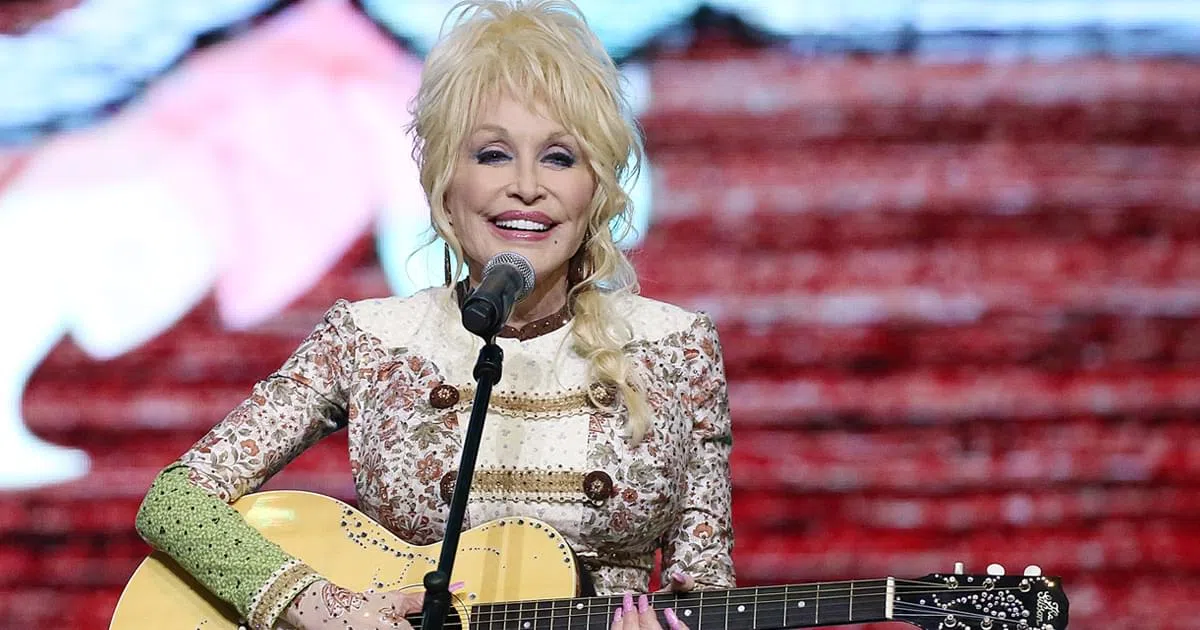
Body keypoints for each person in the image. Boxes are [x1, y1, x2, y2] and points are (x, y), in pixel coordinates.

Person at [133, 1, 735, 629]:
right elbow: (175, 503)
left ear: (599, 186)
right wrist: (317, 607)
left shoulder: (678, 349)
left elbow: (709, 589)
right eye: (493, 154)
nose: (527, 186)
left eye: (559, 157)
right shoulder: (369, 340)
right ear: (446, 180)